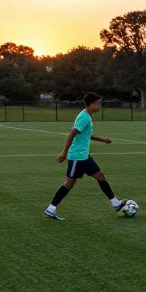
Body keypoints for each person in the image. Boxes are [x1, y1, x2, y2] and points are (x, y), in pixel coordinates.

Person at [44, 92, 127, 220]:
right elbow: (71, 134)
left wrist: (102, 139)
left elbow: (86, 134)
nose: (100, 106)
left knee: (99, 176)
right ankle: (51, 208)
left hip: (83, 156)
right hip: (78, 157)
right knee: (68, 184)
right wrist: (64, 153)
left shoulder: (86, 116)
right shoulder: (85, 117)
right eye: (99, 103)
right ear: (92, 103)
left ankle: (116, 204)